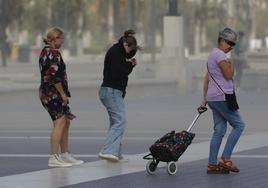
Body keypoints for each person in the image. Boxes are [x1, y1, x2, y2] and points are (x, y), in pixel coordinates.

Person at [200, 28, 245, 174]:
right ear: (221, 40)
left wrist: (205, 99)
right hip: (222, 97)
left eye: (233, 44)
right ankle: (226, 158)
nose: (231, 46)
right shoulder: (220, 55)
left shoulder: (212, 55)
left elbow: (207, 79)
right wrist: (231, 63)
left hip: (214, 98)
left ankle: (212, 164)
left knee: (219, 130)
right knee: (239, 125)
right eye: (230, 43)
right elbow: (228, 75)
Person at [39, 27, 84, 167]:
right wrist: (63, 94)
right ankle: (53, 157)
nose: (63, 41)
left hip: (47, 92)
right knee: (59, 122)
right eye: (61, 38)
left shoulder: (45, 51)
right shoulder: (54, 53)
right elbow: (55, 77)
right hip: (52, 93)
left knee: (66, 122)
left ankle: (65, 154)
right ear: (54, 38)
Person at [98, 30, 138, 162]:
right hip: (112, 91)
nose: (129, 53)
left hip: (111, 91)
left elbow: (123, 68)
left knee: (116, 122)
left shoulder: (118, 51)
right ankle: (108, 150)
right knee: (121, 121)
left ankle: (115, 153)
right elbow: (120, 72)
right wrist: (130, 65)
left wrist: (128, 64)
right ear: (126, 44)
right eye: (130, 50)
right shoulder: (115, 53)